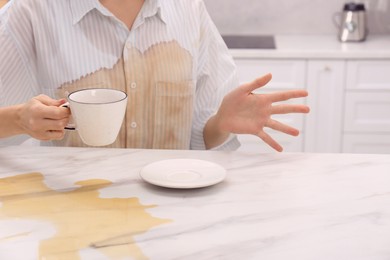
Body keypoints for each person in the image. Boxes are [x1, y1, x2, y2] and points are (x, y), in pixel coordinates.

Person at [0, 0, 309, 152]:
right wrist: (19, 119)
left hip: (171, 217)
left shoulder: (187, 8)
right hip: (71, 218)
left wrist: (220, 125)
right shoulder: (31, 10)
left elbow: (201, 140)